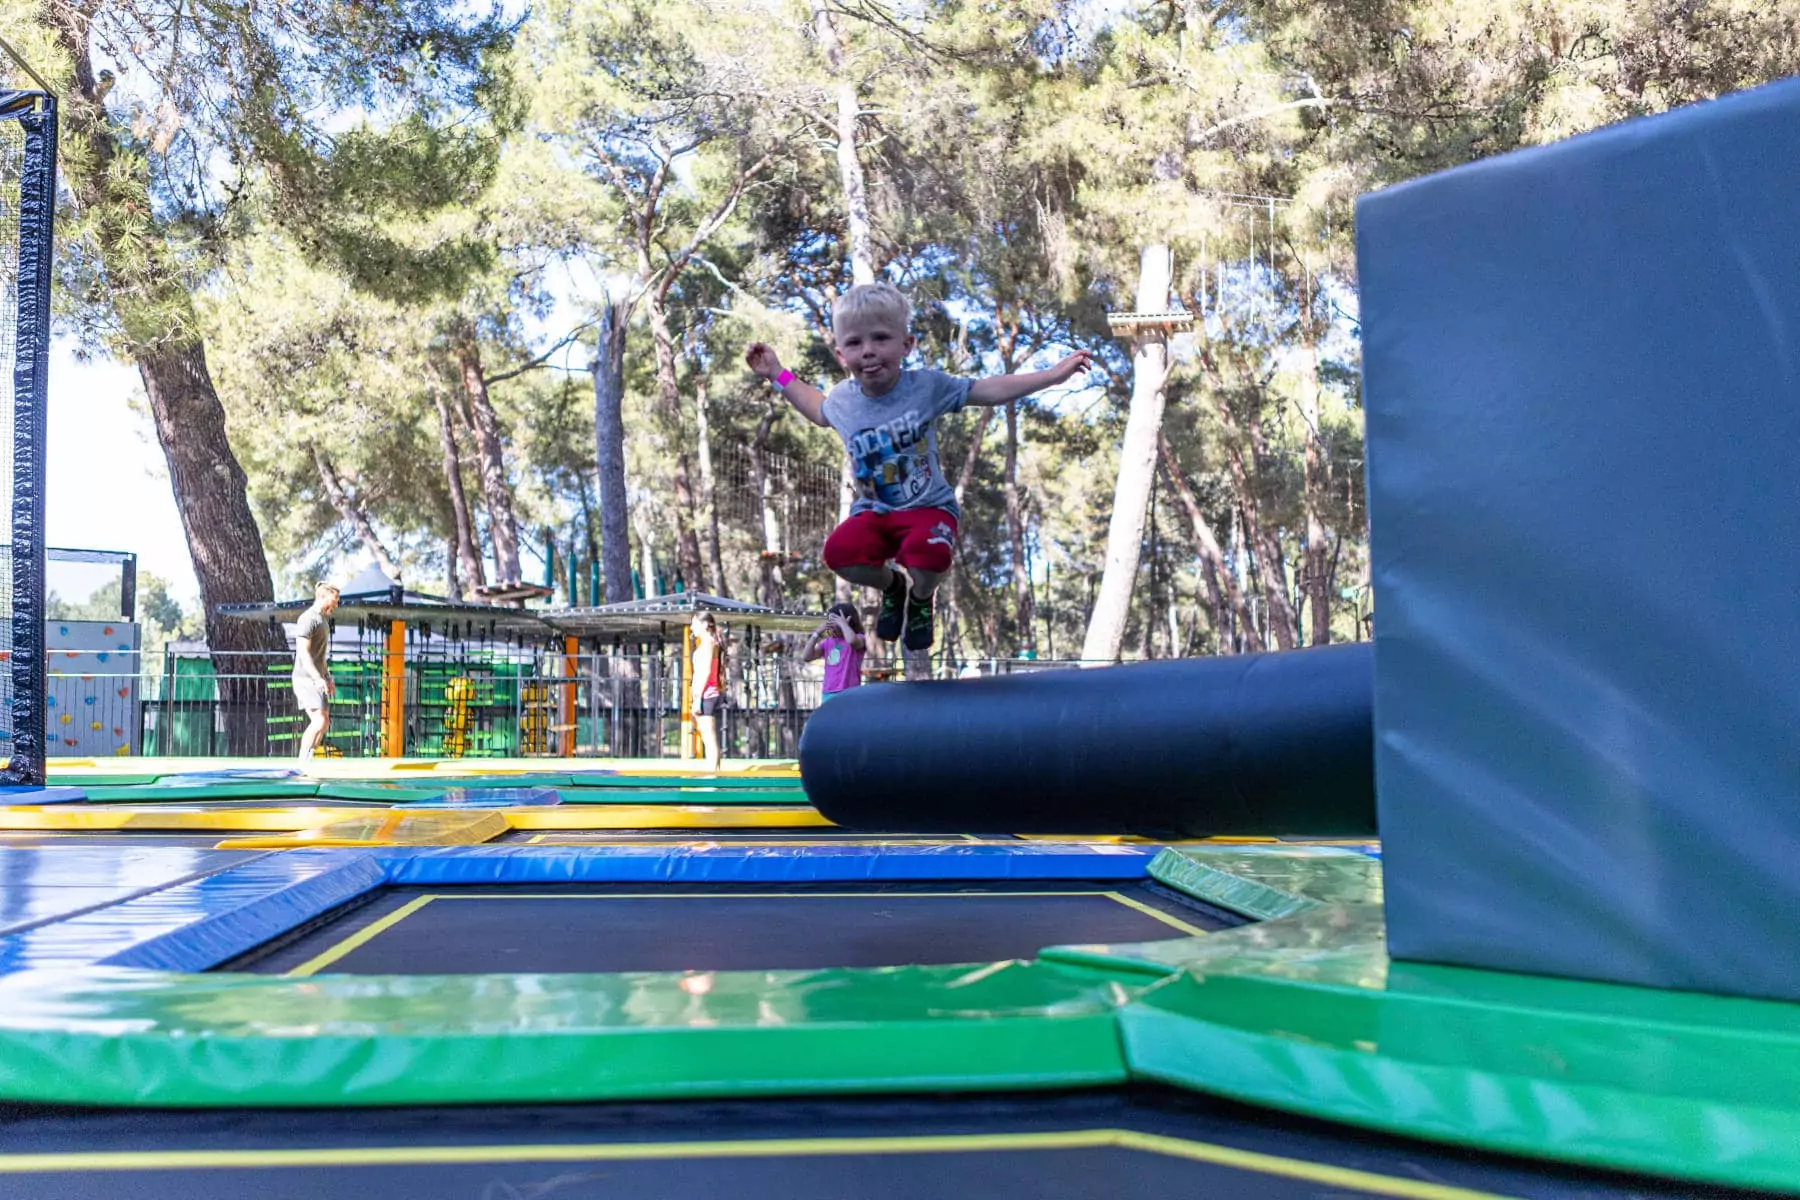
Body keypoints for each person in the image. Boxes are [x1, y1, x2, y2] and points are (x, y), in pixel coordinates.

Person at [745, 283, 1089, 658]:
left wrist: (1052, 376)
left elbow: (986, 389)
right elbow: (814, 405)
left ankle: (922, 597)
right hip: (875, 513)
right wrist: (776, 372)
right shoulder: (844, 401)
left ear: (906, 345)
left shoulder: (925, 387)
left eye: (881, 338)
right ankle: (893, 586)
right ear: (842, 355)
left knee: (928, 555)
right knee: (840, 553)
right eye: (856, 344)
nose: (869, 351)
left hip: (927, 508)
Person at [292, 583, 340, 761]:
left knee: (324, 722)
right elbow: (303, 653)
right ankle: (302, 761)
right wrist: (317, 678)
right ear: (323, 597)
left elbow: (320, 656)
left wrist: (327, 678)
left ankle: (309, 757)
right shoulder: (308, 619)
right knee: (319, 721)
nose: (336, 604)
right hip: (305, 678)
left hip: (317, 678)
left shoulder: (323, 621)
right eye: (334, 600)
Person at [802, 602, 867, 702]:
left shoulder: (859, 638)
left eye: (834, 621)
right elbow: (807, 657)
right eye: (829, 621)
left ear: (847, 620)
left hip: (850, 692)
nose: (830, 625)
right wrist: (816, 633)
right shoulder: (827, 642)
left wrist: (843, 624)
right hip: (828, 692)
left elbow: (852, 641)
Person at [689, 612, 724, 773]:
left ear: (704, 624)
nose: (691, 627)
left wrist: (697, 698)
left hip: (707, 694)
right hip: (704, 693)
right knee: (706, 736)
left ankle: (713, 774)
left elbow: (705, 671)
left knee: (709, 738)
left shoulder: (709, 642)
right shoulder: (706, 642)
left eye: (694, 624)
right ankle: (712, 770)